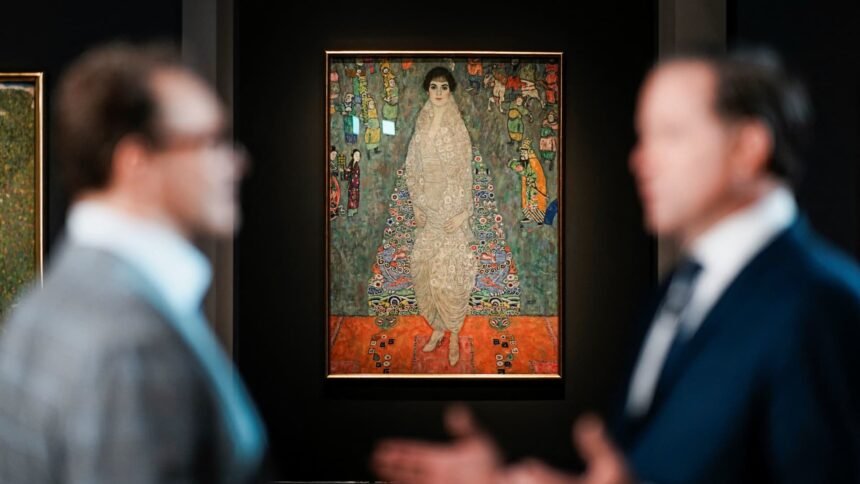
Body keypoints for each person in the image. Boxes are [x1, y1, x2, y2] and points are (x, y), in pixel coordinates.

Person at [373, 48, 860, 483]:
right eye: (643, 136)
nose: (640, 159)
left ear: (747, 147)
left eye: (670, 135)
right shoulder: (678, 292)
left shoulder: (821, 305)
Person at [0, 43, 266, 483]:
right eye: (210, 141)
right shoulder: (129, 343)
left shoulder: (47, 301)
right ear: (136, 161)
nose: (237, 162)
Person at [405, 66, 477, 366]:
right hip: (427, 209)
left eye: (444, 87)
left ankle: (455, 334)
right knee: (423, 270)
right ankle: (437, 327)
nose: (438, 92)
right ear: (427, 90)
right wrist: (416, 206)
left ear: (450, 91)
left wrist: (463, 214)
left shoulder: (457, 129)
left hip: (451, 211)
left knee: (450, 276)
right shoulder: (421, 125)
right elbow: (412, 167)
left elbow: (465, 174)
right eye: (433, 87)